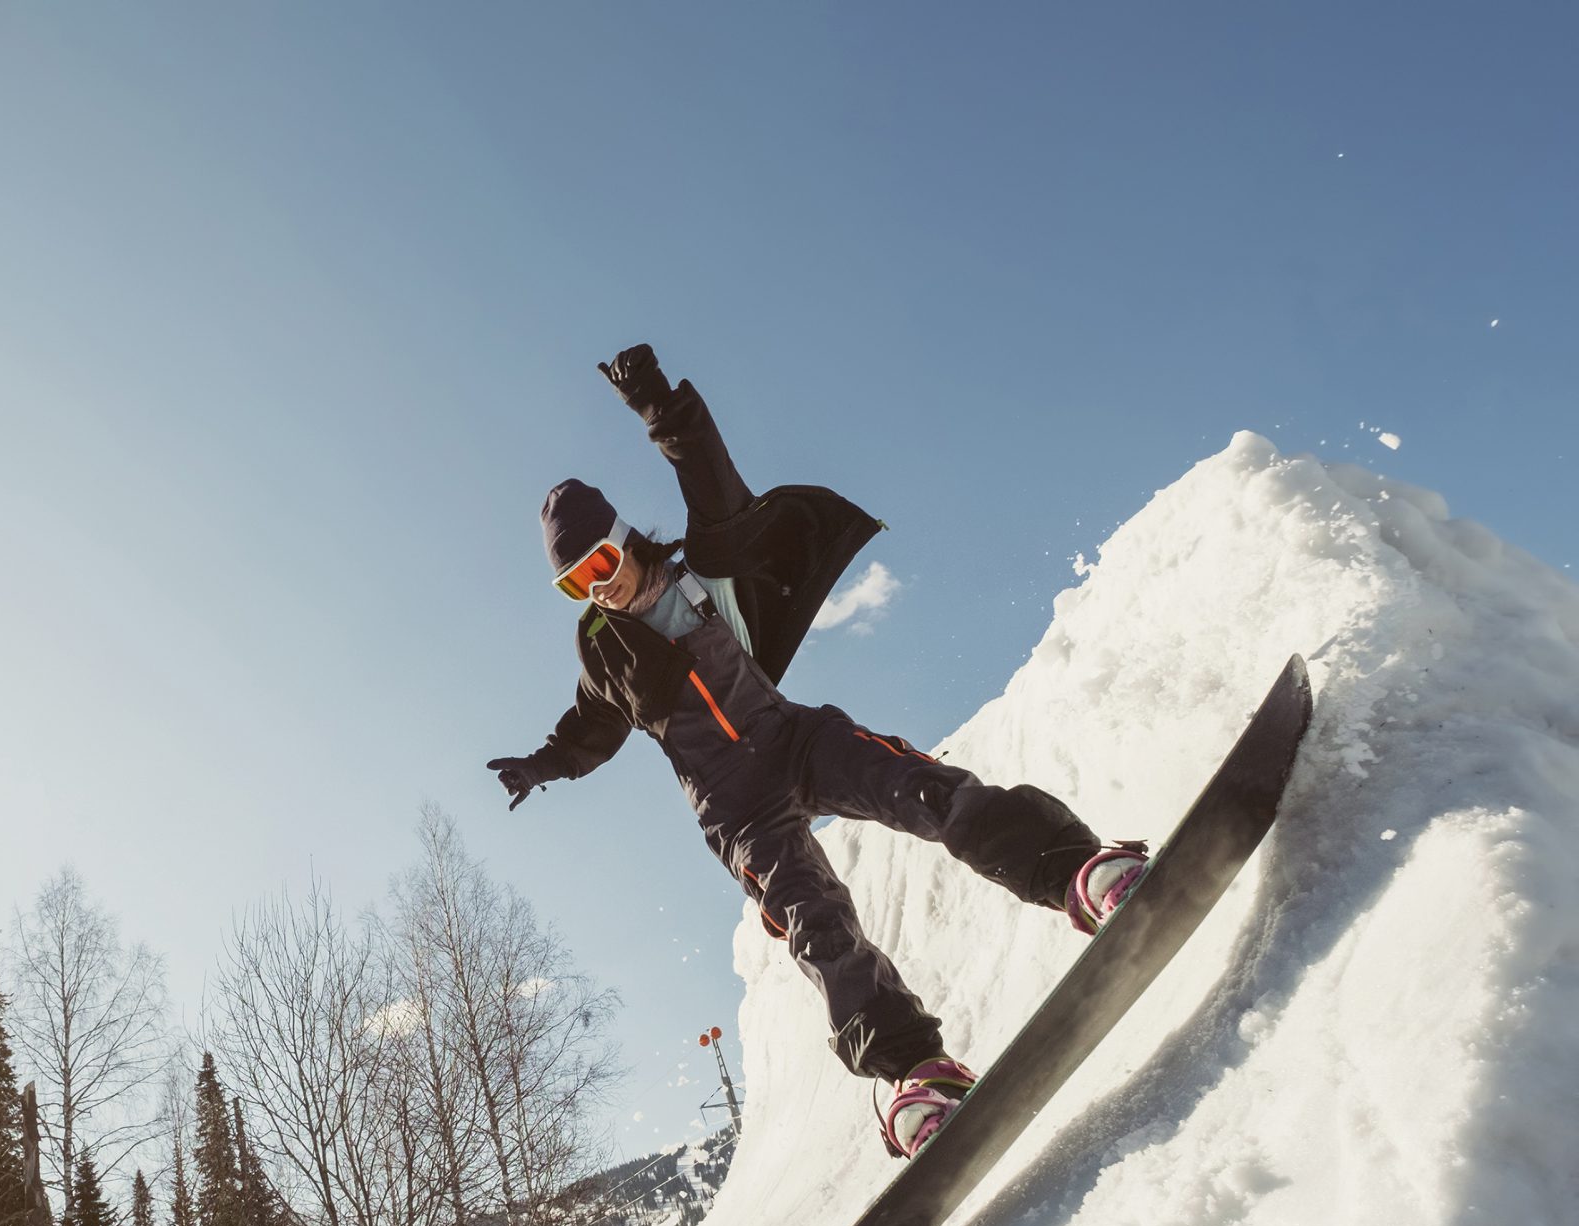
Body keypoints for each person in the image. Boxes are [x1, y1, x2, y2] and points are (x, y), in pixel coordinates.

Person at [488, 345, 1147, 1158]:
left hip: (794, 739)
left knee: (924, 791)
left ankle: (1078, 874)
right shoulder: (603, 651)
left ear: (624, 542)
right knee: (816, 924)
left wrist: (658, 404)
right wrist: (542, 765)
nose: (598, 587)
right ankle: (918, 1075)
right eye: (574, 584)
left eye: (600, 563)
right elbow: (589, 726)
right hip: (733, 805)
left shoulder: (708, 570)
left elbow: (705, 469)